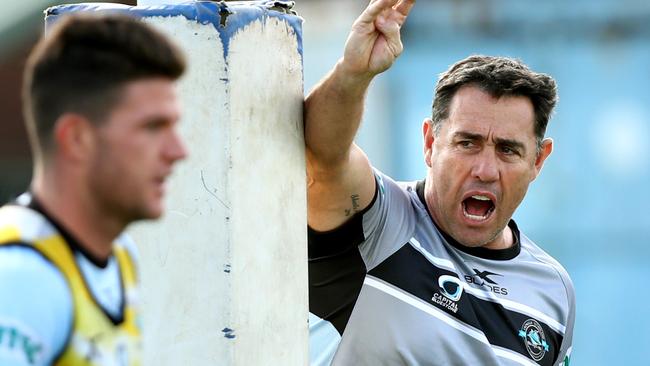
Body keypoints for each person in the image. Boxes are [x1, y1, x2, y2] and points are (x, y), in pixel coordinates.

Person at [305, 0, 575, 365]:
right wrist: (354, 74)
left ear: (538, 161)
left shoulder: (553, 290)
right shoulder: (380, 223)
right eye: (468, 143)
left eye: (508, 150)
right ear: (431, 144)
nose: (485, 169)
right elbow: (323, 153)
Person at [0, 14, 187, 365]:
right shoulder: (19, 279)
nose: (178, 151)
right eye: (153, 126)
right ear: (77, 139)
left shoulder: (119, 254)